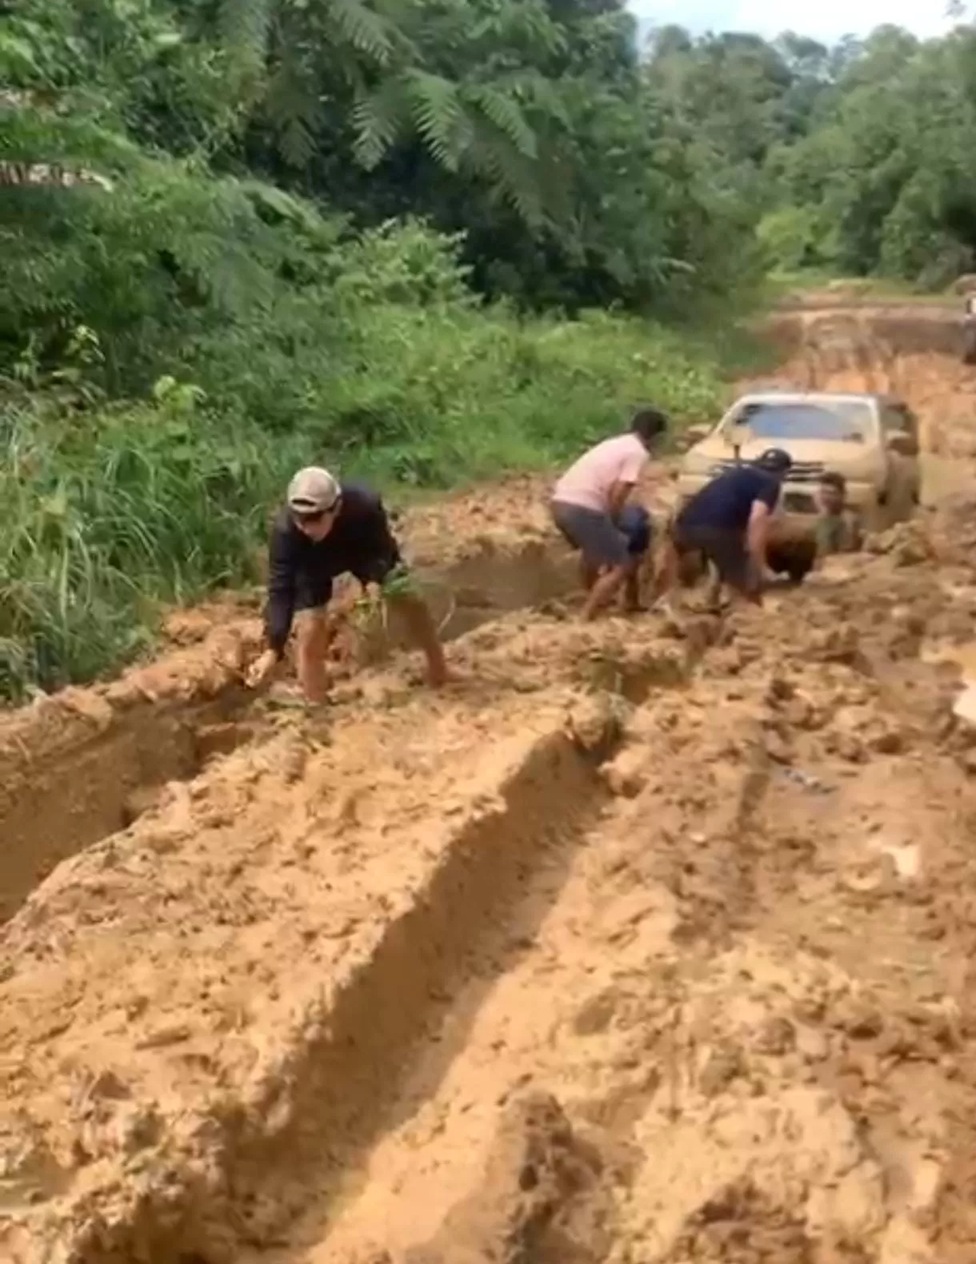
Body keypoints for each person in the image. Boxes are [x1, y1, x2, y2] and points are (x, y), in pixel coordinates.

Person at [245, 467, 449, 702]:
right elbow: (280, 590)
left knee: (411, 599)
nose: (306, 527)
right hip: (313, 562)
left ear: (336, 508)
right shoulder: (287, 533)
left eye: (314, 519)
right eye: (299, 518)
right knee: (310, 629)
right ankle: (315, 700)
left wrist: (374, 579)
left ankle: (439, 669)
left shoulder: (364, 506)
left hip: (361, 550)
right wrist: (273, 648)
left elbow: (383, 549)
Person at [550, 408, 668, 620]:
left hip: (560, 502)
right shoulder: (638, 452)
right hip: (583, 507)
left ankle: (594, 597)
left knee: (593, 550)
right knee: (622, 564)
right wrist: (611, 522)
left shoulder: (615, 443)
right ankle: (586, 616)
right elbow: (619, 492)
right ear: (656, 437)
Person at [661, 448, 793, 607]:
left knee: (715, 560)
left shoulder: (736, 473)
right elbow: (757, 518)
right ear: (784, 473)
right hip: (718, 530)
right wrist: (759, 563)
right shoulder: (771, 483)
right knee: (747, 582)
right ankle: (751, 619)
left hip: (685, 525)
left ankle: (670, 604)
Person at [815, 471, 863, 558]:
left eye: (831, 493)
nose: (826, 498)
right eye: (823, 492)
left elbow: (844, 557)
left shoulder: (847, 521)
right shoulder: (822, 517)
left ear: (842, 495)